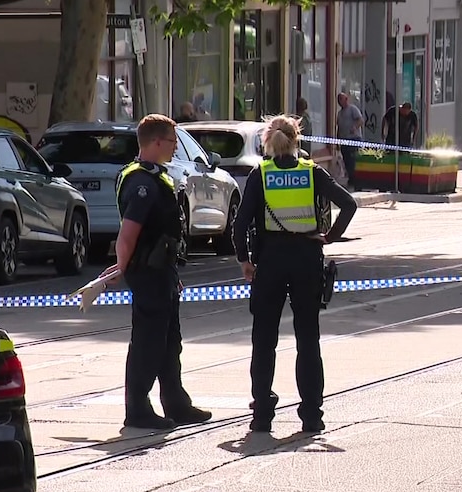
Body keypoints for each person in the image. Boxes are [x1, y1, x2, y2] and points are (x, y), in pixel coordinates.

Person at [232, 115, 357, 433]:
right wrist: (329, 237)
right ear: (296, 139)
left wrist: (245, 260)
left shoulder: (261, 175)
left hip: (270, 262)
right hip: (305, 260)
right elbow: (349, 204)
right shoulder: (311, 172)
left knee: (263, 341)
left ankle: (261, 414)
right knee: (308, 340)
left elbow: (240, 224)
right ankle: (312, 415)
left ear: (267, 141)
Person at [104, 114, 212, 430]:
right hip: (147, 272)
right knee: (148, 342)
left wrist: (172, 275)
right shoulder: (140, 183)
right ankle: (137, 408)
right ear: (155, 142)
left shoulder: (155, 177)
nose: (175, 148)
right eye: (172, 142)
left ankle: (176, 404)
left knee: (169, 341)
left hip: (162, 270)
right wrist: (122, 269)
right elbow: (128, 234)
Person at [336, 92, 363, 190]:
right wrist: (338, 141)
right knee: (346, 160)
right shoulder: (340, 113)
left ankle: (355, 181)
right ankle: (351, 179)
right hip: (344, 140)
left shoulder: (353, 109)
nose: (340, 102)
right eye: (338, 100)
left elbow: (360, 120)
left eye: (342, 99)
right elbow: (339, 127)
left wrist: (354, 127)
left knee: (353, 161)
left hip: (353, 139)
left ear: (346, 99)